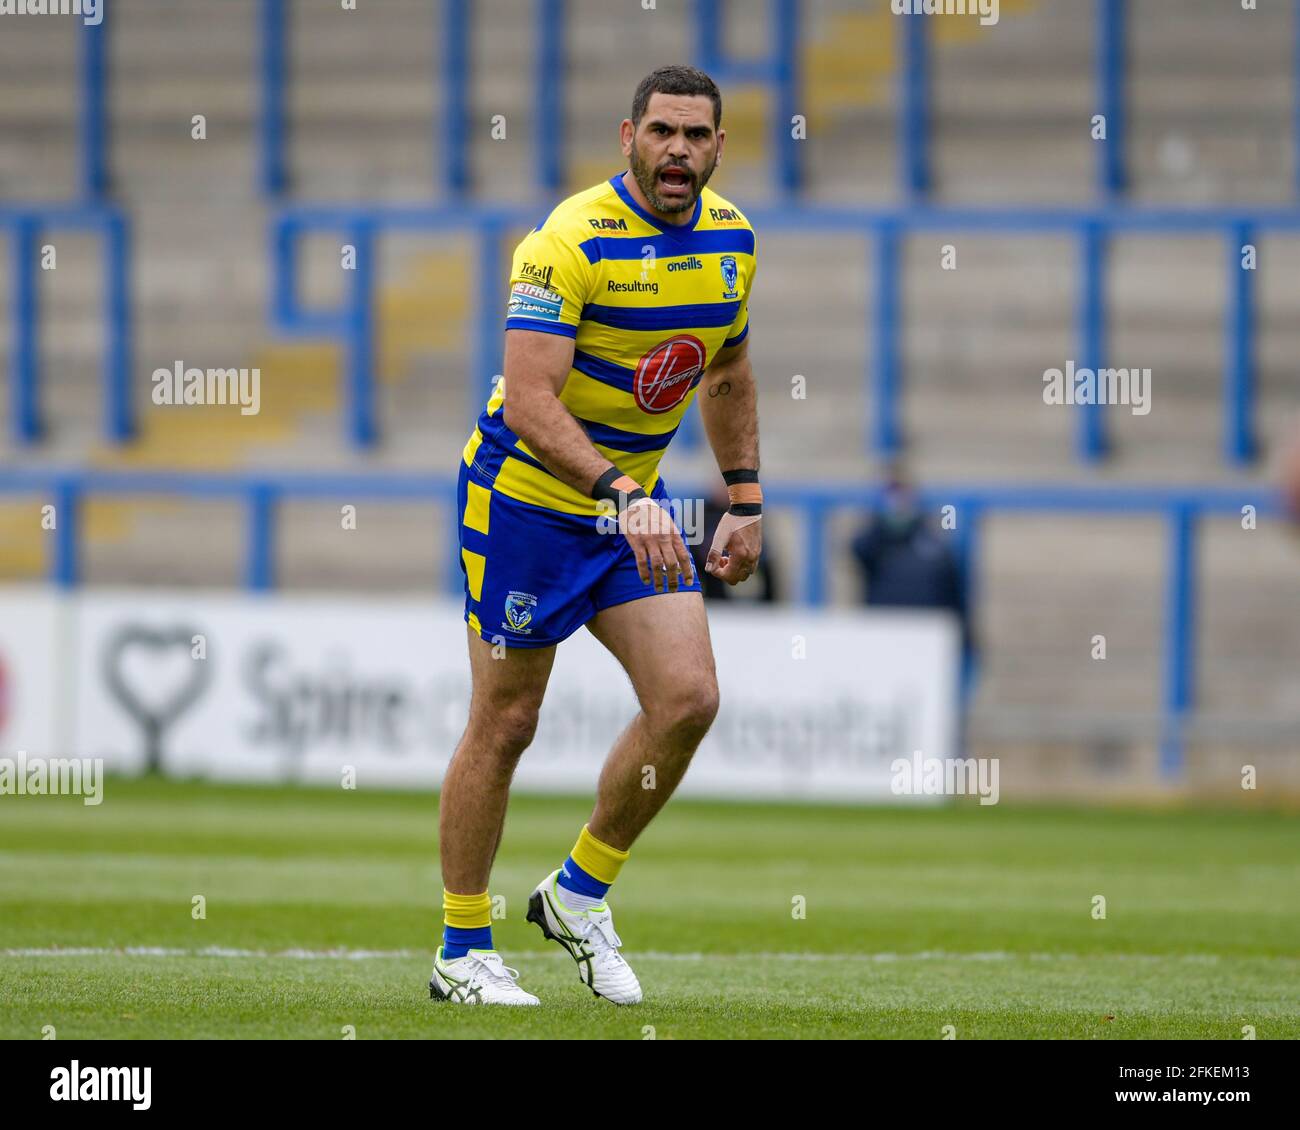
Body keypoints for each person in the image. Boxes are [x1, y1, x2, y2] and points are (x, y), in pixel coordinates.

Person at [432, 65, 763, 1006]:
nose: (678, 152)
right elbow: (530, 399)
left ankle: (578, 893)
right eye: (662, 132)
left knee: (690, 697)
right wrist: (624, 490)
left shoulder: (734, 243)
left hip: (630, 510)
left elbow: (727, 373)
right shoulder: (566, 240)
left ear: (719, 147)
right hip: (528, 504)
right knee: (506, 722)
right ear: (628, 137)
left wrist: (743, 496)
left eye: (697, 136)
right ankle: (461, 950)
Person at [851, 469, 972, 663]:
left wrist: (966, 642)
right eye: (892, 495)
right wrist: (877, 519)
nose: (898, 503)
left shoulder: (934, 545)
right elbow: (858, 549)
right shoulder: (877, 545)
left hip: (928, 646)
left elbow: (954, 597)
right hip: (883, 641)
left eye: (902, 494)